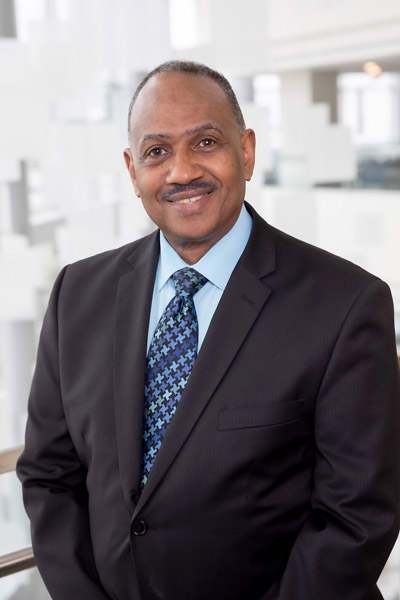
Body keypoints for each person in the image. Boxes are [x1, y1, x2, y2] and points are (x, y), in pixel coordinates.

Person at [17, 60, 400, 600]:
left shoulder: (345, 304)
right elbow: (49, 475)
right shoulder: (77, 293)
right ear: (132, 171)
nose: (180, 172)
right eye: (156, 152)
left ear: (245, 150)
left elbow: (355, 518)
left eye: (204, 142)